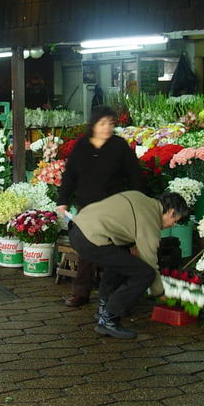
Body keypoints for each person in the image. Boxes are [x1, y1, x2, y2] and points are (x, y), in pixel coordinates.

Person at [69, 191, 188, 339]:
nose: (173, 224)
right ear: (170, 212)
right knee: (145, 273)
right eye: (175, 220)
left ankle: (104, 308)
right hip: (91, 239)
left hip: (76, 230)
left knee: (122, 261)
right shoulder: (150, 218)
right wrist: (159, 293)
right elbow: (149, 260)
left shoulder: (139, 197)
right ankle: (109, 320)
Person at [57, 106, 144, 307]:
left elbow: (135, 176)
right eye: (102, 123)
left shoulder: (119, 146)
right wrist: (62, 200)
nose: (107, 128)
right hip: (87, 208)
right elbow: (70, 176)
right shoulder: (82, 146)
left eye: (111, 124)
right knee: (87, 250)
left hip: (114, 207)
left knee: (116, 249)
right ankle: (81, 292)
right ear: (94, 125)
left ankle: (114, 295)